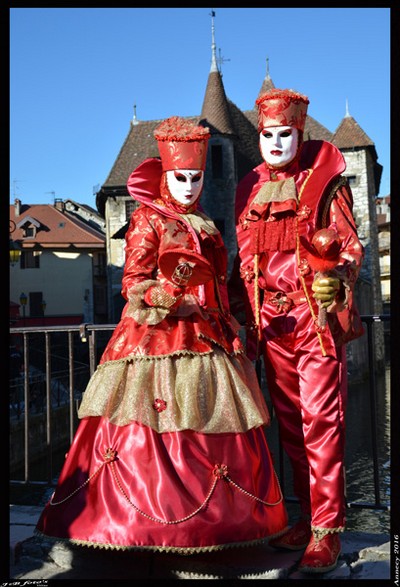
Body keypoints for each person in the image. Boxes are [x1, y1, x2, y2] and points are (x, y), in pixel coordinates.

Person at [35, 116, 288, 553]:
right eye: (180, 177)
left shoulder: (205, 222)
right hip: (156, 336)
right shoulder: (148, 219)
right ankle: (143, 525)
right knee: (149, 426)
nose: (189, 186)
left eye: (196, 177)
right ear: (165, 174)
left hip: (208, 334)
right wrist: (168, 294)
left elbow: (217, 282)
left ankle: (215, 526)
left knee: (210, 424)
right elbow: (132, 279)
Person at [230, 89, 365, 573]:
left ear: (300, 134)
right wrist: (240, 315)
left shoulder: (326, 182)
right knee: (289, 424)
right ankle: (307, 518)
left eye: (285, 134)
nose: (275, 143)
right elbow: (244, 258)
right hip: (271, 324)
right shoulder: (249, 188)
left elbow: (350, 246)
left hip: (313, 320)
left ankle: (328, 529)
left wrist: (338, 280)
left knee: (322, 425)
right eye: (268, 135)